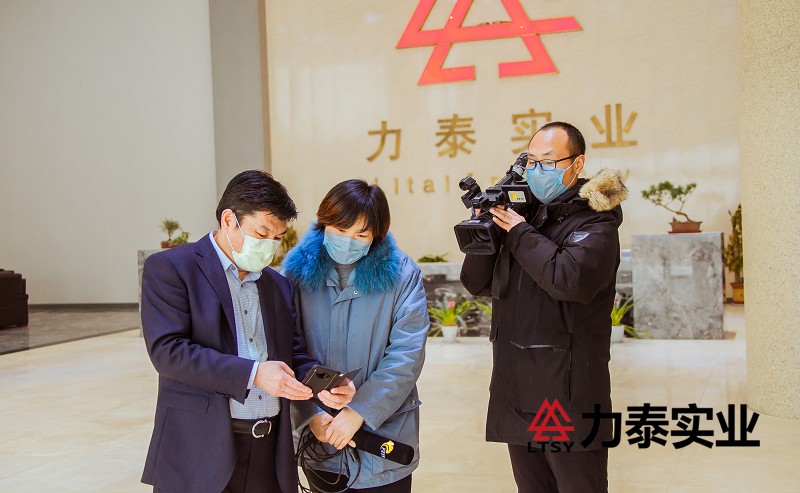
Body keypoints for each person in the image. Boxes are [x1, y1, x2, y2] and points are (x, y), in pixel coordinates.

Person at [140, 170, 355, 493]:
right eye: (261, 233)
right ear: (229, 220)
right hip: (199, 450)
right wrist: (253, 374)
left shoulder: (277, 285)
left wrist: (327, 386)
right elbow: (168, 352)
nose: (268, 246)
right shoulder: (172, 269)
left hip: (269, 452)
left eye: (277, 238)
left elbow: (293, 354)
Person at [460, 122, 628, 493]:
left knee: (577, 486)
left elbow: (568, 279)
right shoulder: (522, 214)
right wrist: (485, 226)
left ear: (577, 163)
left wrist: (519, 232)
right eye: (532, 162)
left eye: (548, 162)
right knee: (532, 487)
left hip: (566, 389)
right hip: (516, 385)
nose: (538, 170)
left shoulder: (596, 221)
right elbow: (477, 282)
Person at [282, 179, 429, 492]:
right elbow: (284, 348)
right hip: (320, 441)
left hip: (384, 439)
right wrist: (311, 414)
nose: (348, 241)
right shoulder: (295, 273)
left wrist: (360, 410)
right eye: (339, 230)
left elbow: (407, 354)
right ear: (324, 223)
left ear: (377, 233)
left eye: (361, 234)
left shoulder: (402, 274)